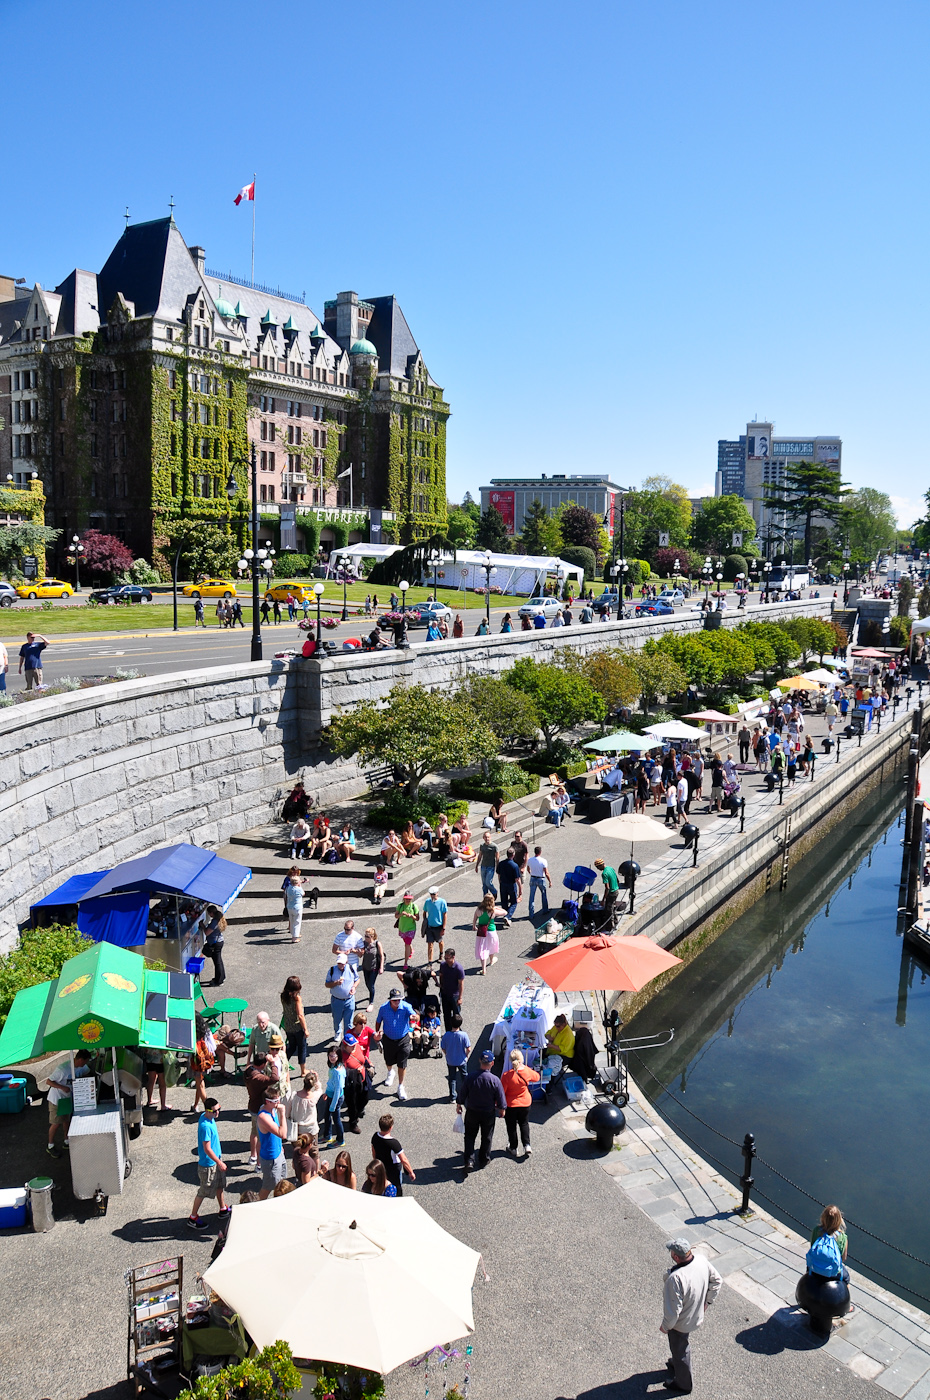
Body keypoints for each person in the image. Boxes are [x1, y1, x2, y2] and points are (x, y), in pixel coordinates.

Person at [660, 1236, 722, 1394]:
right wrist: (707, 1303)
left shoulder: (675, 1278)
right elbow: (717, 1281)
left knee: (680, 1349)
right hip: (695, 1314)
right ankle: (676, 1364)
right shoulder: (701, 1260)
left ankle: (683, 1383)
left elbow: (673, 1311)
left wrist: (665, 1326)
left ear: (675, 1257)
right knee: (680, 1346)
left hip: (681, 1323)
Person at [457, 1049, 506, 1174]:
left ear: (479, 1060)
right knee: (487, 1136)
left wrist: (459, 1104)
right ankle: (484, 1159)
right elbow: (500, 1097)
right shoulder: (494, 1080)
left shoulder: (470, 1077)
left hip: (472, 1111)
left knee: (469, 1136)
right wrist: (502, 1109)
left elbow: (463, 1092)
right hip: (488, 1113)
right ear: (492, 1063)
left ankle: (469, 1161)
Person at [188, 1099, 228, 1229]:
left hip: (216, 1161)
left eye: (219, 1109)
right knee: (203, 1191)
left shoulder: (207, 1117)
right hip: (208, 1165)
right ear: (207, 1110)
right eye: (215, 1111)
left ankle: (223, 1208)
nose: (218, 1113)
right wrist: (219, 1162)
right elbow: (207, 1149)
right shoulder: (205, 1126)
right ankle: (193, 1217)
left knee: (220, 1185)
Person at [46, 1050, 92, 1157]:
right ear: (80, 1059)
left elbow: (88, 1073)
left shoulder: (82, 1067)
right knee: (56, 1123)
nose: (85, 1064)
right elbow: (48, 1081)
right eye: (85, 1061)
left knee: (66, 1120)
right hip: (57, 1099)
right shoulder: (62, 1069)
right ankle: (50, 1145)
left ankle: (66, 1141)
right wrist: (62, 1087)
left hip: (68, 1099)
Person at [376, 986, 415, 1100]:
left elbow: (414, 1015)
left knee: (402, 1064)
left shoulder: (406, 1006)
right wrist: (377, 1033)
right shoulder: (383, 1008)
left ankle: (400, 1086)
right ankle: (390, 1072)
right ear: (390, 1000)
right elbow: (378, 1021)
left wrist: (414, 1017)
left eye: (399, 999)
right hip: (388, 1039)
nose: (397, 1002)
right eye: (395, 1000)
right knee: (388, 1060)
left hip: (403, 1039)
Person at [502, 1048, 540, 1159]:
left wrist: (498, 1105)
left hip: (511, 1104)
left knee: (511, 1126)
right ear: (521, 1059)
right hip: (525, 1103)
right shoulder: (526, 1071)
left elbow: (502, 1092)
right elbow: (537, 1077)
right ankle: (527, 1145)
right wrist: (526, 1068)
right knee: (524, 1123)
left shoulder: (507, 1075)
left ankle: (513, 1148)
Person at [371, 1112, 415, 1195]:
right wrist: (411, 1172)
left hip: (381, 1167)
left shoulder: (375, 1136)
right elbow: (403, 1159)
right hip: (393, 1169)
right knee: (396, 1188)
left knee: (381, 1186)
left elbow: (373, 1151)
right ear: (391, 1127)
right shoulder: (393, 1143)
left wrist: (375, 1161)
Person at [256, 1088, 288, 1199]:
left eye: (279, 1099)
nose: (278, 1103)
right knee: (268, 1186)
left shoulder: (272, 1109)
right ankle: (258, 1204)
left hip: (278, 1152)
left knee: (281, 1183)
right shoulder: (264, 1117)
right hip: (271, 1158)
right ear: (267, 1101)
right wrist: (282, 1113)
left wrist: (280, 1145)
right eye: (275, 1101)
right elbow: (283, 1134)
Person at [808, 1204, 851, 1285]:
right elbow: (843, 1258)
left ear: (823, 1218)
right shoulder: (842, 1237)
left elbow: (812, 1247)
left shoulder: (816, 1230)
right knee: (847, 1278)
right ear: (839, 1220)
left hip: (814, 1269)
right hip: (833, 1274)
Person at [325, 953, 359, 1041]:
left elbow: (357, 979)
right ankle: (338, 1032)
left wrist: (354, 987)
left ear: (346, 962)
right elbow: (327, 984)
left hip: (349, 1000)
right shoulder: (332, 970)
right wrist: (336, 983)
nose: (340, 965)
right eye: (339, 963)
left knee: (349, 1021)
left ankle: (347, 1036)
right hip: (336, 1000)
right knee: (337, 1019)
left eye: (342, 963)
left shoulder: (351, 968)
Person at [285, 1071, 323, 1147]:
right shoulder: (314, 1097)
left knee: (298, 1149)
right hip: (311, 1129)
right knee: (313, 1150)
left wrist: (287, 1117)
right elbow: (319, 1090)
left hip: (297, 1129)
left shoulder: (294, 1095)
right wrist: (317, 1079)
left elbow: (288, 1109)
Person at [280, 975, 309, 1076]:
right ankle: (303, 1071)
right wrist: (305, 1029)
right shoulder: (297, 998)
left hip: (288, 1026)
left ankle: (281, 1063)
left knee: (291, 1047)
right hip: (297, 1027)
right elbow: (300, 1015)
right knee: (302, 1048)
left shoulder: (283, 996)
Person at [441, 1012, 471, 1103]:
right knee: (464, 1077)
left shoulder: (446, 1035)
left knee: (452, 1078)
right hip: (462, 1060)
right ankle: (467, 1094)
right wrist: (466, 1055)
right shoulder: (464, 1035)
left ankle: (452, 1097)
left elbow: (443, 1048)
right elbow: (468, 1048)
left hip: (451, 1060)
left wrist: (447, 1054)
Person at [321, 1046, 346, 1147]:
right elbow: (331, 1082)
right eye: (330, 1055)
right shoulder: (333, 1066)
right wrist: (326, 1092)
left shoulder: (338, 1072)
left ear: (338, 1056)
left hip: (336, 1098)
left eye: (334, 1056)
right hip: (331, 1095)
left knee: (336, 1119)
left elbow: (338, 1090)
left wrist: (333, 1105)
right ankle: (327, 1135)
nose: (331, 1058)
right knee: (326, 1116)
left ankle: (340, 1140)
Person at [437, 946, 465, 1029]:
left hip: (454, 996)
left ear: (453, 957)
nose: (446, 960)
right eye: (445, 958)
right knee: (446, 1015)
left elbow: (461, 984)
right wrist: (441, 986)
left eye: (447, 958)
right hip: (445, 994)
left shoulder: (458, 968)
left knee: (456, 1016)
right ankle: (448, 1032)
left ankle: (457, 1031)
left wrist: (460, 998)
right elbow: (441, 975)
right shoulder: (443, 965)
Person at [473, 892, 500, 974]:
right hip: (491, 932)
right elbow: (505, 912)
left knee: (483, 949)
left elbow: (475, 918)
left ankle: (484, 969)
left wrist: (474, 926)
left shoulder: (479, 909)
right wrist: (496, 907)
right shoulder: (493, 911)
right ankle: (491, 960)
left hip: (482, 932)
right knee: (491, 946)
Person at [421, 886, 448, 963]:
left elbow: (445, 915)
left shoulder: (442, 902)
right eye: (431, 894)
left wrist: (443, 928)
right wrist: (425, 920)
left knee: (440, 942)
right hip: (429, 927)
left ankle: (441, 954)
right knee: (430, 944)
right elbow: (424, 912)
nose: (432, 896)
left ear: (437, 893)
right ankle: (430, 962)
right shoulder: (427, 902)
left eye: (434, 894)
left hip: (439, 926)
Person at [201, 905, 227, 986]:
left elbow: (207, 932)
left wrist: (202, 925)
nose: (209, 915)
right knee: (219, 961)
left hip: (215, 944)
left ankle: (219, 981)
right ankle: (221, 977)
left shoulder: (214, 922)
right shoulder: (219, 918)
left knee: (217, 962)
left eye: (209, 913)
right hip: (219, 942)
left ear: (211, 913)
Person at [394, 889, 420, 967]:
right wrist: (401, 914)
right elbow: (396, 916)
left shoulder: (414, 906)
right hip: (402, 927)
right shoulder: (400, 905)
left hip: (411, 928)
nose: (408, 901)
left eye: (409, 899)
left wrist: (412, 916)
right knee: (406, 941)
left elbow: (417, 918)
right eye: (406, 899)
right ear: (404, 898)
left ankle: (405, 963)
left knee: (406, 944)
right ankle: (411, 950)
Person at [360, 927, 385, 1005]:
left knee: (371, 985)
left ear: (372, 936)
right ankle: (371, 993)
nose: (365, 938)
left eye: (367, 936)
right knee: (367, 984)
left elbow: (382, 956)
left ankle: (371, 1002)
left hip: (374, 967)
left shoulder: (377, 944)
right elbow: (360, 955)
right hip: (365, 967)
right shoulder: (364, 943)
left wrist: (381, 967)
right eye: (365, 936)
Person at [497, 848, 522, 922]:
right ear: (513, 855)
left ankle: (505, 915)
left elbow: (499, 874)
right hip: (511, 885)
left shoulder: (501, 863)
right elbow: (517, 879)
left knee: (504, 901)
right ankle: (508, 916)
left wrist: (500, 882)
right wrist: (520, 889)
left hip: (503, 884)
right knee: (514, 902)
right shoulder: (515, 865)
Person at [527, 845, 551, 918]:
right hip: (541, 879)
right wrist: (550, 881)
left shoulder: (530, 860)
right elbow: (546, 872)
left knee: (532, 896)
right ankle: (545, 910)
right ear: (540, 852)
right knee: (543, 894)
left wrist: (531, 873)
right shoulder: (543, 861)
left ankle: (531, 914)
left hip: (533, 878)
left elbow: (528, 869)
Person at [476, 831, 499, 897]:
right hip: (483, 866)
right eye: (485, 837)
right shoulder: (482, 846)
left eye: (488, 837)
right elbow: (480, 856)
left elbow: (497, 858)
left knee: (488, 882)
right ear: (483, 838)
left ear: (490, 837)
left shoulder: (494, 846)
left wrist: (498, 867)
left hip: (491, 867)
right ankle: (485, 897)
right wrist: (477, 865)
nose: (487, 839)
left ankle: (494, 891)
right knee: (484, 884)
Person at [285, 874, 306, 943]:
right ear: (298, 882)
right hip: (297, 908)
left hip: (289, 907)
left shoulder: (288, 888)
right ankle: (294, 937)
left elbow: (286, 894)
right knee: (297, 922)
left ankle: (294, 933)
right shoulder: (299, 889)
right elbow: (303, 894)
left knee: (292, 921)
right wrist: (300, 886)